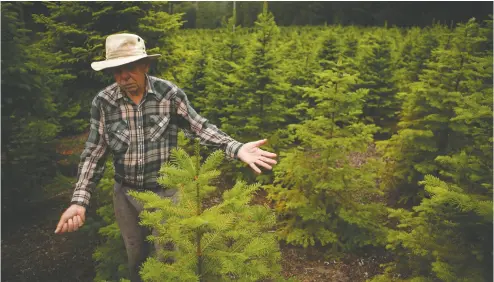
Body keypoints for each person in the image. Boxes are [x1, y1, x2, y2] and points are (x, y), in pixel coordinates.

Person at [54, 33, 277, 281]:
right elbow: (94, 152)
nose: (123, 77)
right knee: (135, 255)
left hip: (166, 194)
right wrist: (79, 201)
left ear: (145, 65)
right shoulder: (104, 102)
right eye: (116, 71)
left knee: (170, 259)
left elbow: (199, 127)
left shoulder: (168, 94)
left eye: (129, 68)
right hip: (126, 196)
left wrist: (236, 148)